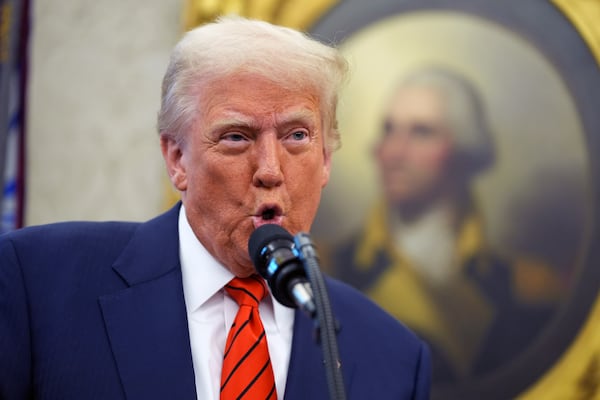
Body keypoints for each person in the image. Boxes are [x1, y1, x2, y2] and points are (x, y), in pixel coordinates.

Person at [0, 16, 430, 400]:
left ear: (327, 160)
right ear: (177, 159)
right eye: (236, 137)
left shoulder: (390, 356)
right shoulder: (38, 283)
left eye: (297, 136)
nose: (270, 170)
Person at [331, 68, 562, 383]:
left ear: (464, 150)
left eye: (422, 132)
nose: (393, 152)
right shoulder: (329, 268)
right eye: (389, 130)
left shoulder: (528, 287)